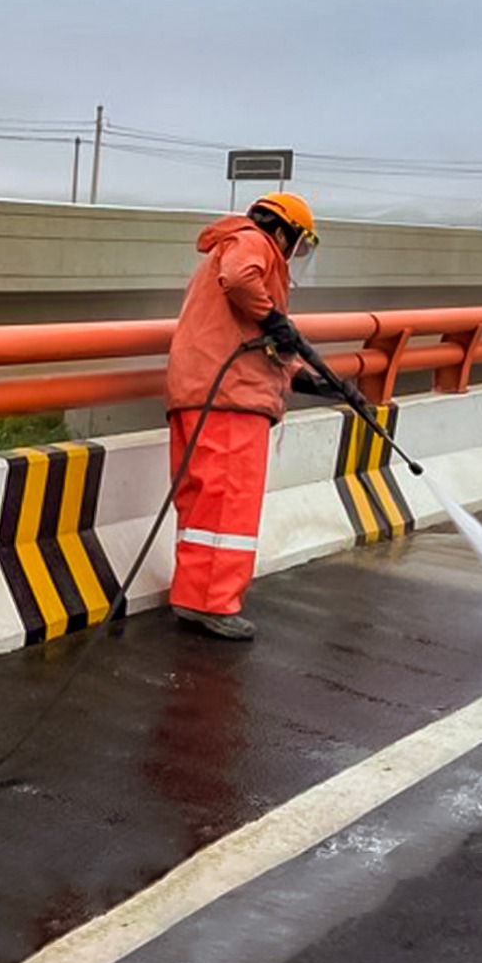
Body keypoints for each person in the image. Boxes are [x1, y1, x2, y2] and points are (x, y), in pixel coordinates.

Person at [163, 192, 354, 640]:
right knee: (230, 502)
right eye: (297, 247)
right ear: (284, 232)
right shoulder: (254, 242)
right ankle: (214, 604)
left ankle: (195, 597)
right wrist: (273, 318)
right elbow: (241, 280)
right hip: (229, 399)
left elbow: (246, 340)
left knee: (204, 503)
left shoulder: (230, 245)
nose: (294, 257)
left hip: (201, 390)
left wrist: (303, 378)